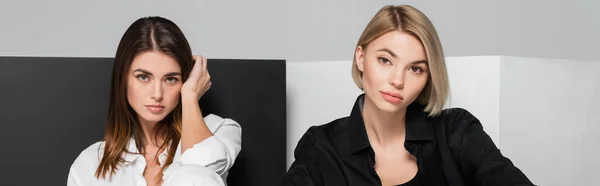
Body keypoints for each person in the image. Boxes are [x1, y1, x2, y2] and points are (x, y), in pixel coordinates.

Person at [283, 5, 534, 186]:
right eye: (385, 60)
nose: (397, 80)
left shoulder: (457, 133)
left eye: (415, 68)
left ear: (428, 76)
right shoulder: (321, 146)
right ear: (361, 57)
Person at [67, 16, 242, 186]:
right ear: (123, 79)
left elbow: (201, 171)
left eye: (170, 79)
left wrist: (189, 96)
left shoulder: (218, 130)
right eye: (143, 77)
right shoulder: (90, 164)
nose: (157, 94)